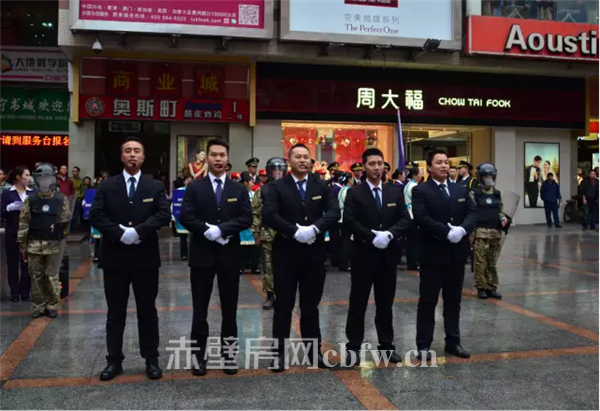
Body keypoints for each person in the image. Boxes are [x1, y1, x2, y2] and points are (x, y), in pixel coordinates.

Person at [89, 136, 171, 381]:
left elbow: (163, 214)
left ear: (143, 157)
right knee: (115, 312)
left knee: (148, 311)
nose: (132, 154)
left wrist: (138, 232)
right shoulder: (107, 185)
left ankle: (151, 359)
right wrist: (119, 234)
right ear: (122, 156)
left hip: (145, 257)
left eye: (137, 150)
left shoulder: (154, 185)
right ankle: (113, 360)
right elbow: (96, 215)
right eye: (128, 151)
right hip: (115, 257)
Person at [263, 144, 340, 372]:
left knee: (310, 307)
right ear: (290, 161)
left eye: (306, 157)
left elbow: (334, 212)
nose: (303, 160)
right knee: (283, 306)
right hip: (285, 254)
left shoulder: (321, 185)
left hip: (313, 255)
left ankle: (314, 352)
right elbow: (269, 215)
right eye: (298, 157)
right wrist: (294, 231)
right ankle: (278, 354)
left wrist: (315, 229)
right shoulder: (277, 186)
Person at [180, 139, 252, 377]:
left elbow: (246, 218)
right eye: (214, 155)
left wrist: (222, 230)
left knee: (229, 309)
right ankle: (198, 357)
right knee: (199, 309)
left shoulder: (238, 189)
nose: (218, 159)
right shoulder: (195, 187)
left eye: (222, 155)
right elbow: (186, 216)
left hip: (230, 256)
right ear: (207, 159)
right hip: (202, 256)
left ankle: (229, 356)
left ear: (227, 159)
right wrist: (206, 230)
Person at [343, 148, 410, 364]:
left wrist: (389, 234)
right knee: (358, 303)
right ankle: (353, 347)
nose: (376, 168)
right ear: (364, 167)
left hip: (387, 257)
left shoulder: (394, 192)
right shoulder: (355, 193)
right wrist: (372, 236)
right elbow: (350, 221)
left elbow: (404, 219)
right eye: (372, 164)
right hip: (363, 256)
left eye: (380, 163)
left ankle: (386, 346)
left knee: (385, 304)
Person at [412, 149, 477, 360]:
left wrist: (463, 230)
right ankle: (423, 344)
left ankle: (453, 341)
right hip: (432, 254)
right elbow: (421, 217)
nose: (444, 166)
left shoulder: (460, 189)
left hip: (456, 255)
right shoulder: (421, 190)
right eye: (439, 162)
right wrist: (446, 232)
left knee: (453, 301)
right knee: (428, 301)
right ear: (429, 167)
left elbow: (473, 213)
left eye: (446, 162)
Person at [17, 163, 71, 318]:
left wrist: (59, 234)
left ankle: (52, 305)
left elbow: (66, 221)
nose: (44, 181)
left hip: (54, 245)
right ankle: (38, 306)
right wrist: (22, 243)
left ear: (52, 179)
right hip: (33, 244)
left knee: (52, 276)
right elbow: (24, 222)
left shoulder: (60, 199)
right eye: (41, 178)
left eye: (47, 178)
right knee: (36, 276)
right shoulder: (31, 199)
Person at [251, 157, 287, 309]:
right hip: (267, 235)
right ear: (269, 171)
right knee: (268, 267)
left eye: (280, 170)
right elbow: (256, 214)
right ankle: (270, 295)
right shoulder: (263, 190)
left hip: (288, 235)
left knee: (287, 266)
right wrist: (256, 234)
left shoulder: (291, 189)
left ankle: (285, 295)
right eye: (274, 170)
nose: (278, 173)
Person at [471, 163, 511, 300]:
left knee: (492, 262)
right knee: (480, 262)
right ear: (480, 177)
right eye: (486, 176)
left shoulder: (497, 194)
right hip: (481, 232)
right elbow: (472, 212)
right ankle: (481, 287)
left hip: (495, 232)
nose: (488, 179)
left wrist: (504, 219)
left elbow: (500, 210)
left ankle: (491, 286)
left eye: (490, 176)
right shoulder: (475, 193)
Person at [1, 166, 33, 302]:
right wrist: (9, 208)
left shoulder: (32, 192)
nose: (29, 178)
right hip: (12, 231)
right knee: (13, 263)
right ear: (18, 177)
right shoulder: (7, 193)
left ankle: (25, 291)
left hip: (29, 233)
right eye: (26, 175)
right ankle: (14, 292)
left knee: (27, 263)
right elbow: (2, 212)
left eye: (29, 175)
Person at [240, 173, 260, 274]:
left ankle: (254, 267)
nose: (253, 184)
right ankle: (241, 266)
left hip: (253, 223)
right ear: (245, 183)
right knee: (241, 248)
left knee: (254, 247)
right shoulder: (238, 193)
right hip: (242, 224)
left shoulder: (254, 194)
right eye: (251, 182)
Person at [403, 166, 422, 271]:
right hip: (413, 216)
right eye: (420, 173)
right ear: (415, 175)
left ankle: (411, 263)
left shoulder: (407, 185)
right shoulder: (415, 186)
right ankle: (414, 263)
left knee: (410, 241)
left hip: (408, 215)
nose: (421, 175)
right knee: (414, 242)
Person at [172, 176, 193, 261]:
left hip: (193, 217)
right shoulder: (179, 191)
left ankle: (193, 254)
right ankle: (184, 255)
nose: (189, 182)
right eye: (187, 180)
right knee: (183, 238)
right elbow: (174, 203)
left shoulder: (196, 190)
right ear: (184, 182)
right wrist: (174, 214)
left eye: (191, 180)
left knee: (194, 238)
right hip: (181, 217)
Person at [337, 172, 354, 272]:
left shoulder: (342, 189)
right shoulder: (348, 190)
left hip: (341, 217)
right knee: (347, 242)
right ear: (349, 179)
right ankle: (345, 264)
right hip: (345, 218)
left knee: (344, 241)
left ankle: (343, 263)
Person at [70, 166, 84, 232]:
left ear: (78, 172)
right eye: (73, 171)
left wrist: (80, 196)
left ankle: (76, 228)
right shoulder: (69, 180)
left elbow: (83, 190)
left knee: (77, 214)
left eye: (75, 171)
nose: (74, 172)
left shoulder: (81, 181)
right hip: (70, 200)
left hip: (78, 200)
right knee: (70, 214)